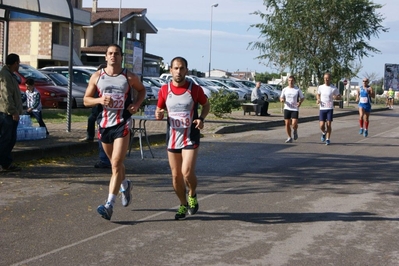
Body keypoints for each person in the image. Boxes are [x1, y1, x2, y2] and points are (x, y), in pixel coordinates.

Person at [84, 44, 146, 220]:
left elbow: (142, 90)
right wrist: (99, 99)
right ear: (105, 57)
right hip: (104, 125)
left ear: (121, 57)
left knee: (117, 163)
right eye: (110, 54)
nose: (113, 56)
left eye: (116, 54)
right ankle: (125, 185)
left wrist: (136, 104)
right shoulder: (97, 76)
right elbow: (86, 100)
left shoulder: (129, 76)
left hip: (122, 123)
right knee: (114, 164)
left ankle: (109, 204)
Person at [155, 56, 210, 220]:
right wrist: (159, 114)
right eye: (176, 68)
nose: (178, 71)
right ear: (170, 70)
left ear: (186, 70)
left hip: (190, 137)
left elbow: (206, 105)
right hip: (172, 138)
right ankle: (182, 203)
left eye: (182, 68)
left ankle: (192, 194)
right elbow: (159, 110)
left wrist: (201, 118)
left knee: (186, 173)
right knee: (176, 176)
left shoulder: (195, 89)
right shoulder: (164, 90)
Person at [79, 64, 111, 169]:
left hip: (104, 113)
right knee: (102, 136)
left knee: (104, 138)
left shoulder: (105, 84)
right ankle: (106, 159)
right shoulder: (96, 82)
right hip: (98, 112)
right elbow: (87, 100)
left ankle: (106, 160)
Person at [0, 53, 23, 172]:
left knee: (10, 139)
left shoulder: (10, 75)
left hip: (10, 112)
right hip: (6, 113)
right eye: (18, 63)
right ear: (15, 63)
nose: (19, 65)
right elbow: (6, 95)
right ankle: (4, 163)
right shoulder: (5, 75)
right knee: (6, 139)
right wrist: (13, 111)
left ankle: (6, 162)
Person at [316, 72, 341, 145]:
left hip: (329, 108)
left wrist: (336, 97)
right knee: (321, 125)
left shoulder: (333, 88)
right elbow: (318, 95)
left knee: (329, 124)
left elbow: (339, 96)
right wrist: (318, 99)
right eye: (325, 78)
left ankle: (327, 139)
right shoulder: (321, 87)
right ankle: (323, 132)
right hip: (322, 108)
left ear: (330, 79)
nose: (326, 79)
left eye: (327, 78)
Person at [280, 75, 304, 143]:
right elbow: (281, 97)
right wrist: (282, 99)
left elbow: (302, 98)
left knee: (294, 123)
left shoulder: (297, 89)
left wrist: (299, 102)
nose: (290, 82)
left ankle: (295, 130)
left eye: (292, 80)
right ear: (287, 81)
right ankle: (289, 137)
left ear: (294, 81)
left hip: (294, 109)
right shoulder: (285, 89)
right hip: (287, 108)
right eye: (289, 80)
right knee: (287, 123)